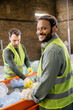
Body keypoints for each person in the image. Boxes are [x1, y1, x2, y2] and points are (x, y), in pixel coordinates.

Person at [22, 14, 73, 110]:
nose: (39, 32)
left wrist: (33, 95)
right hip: (65, 102)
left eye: (44, 28)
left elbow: (47, 81)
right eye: (38, 29)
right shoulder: (58, 44)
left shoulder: (52, 50)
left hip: (56, 105)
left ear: (54, 29)